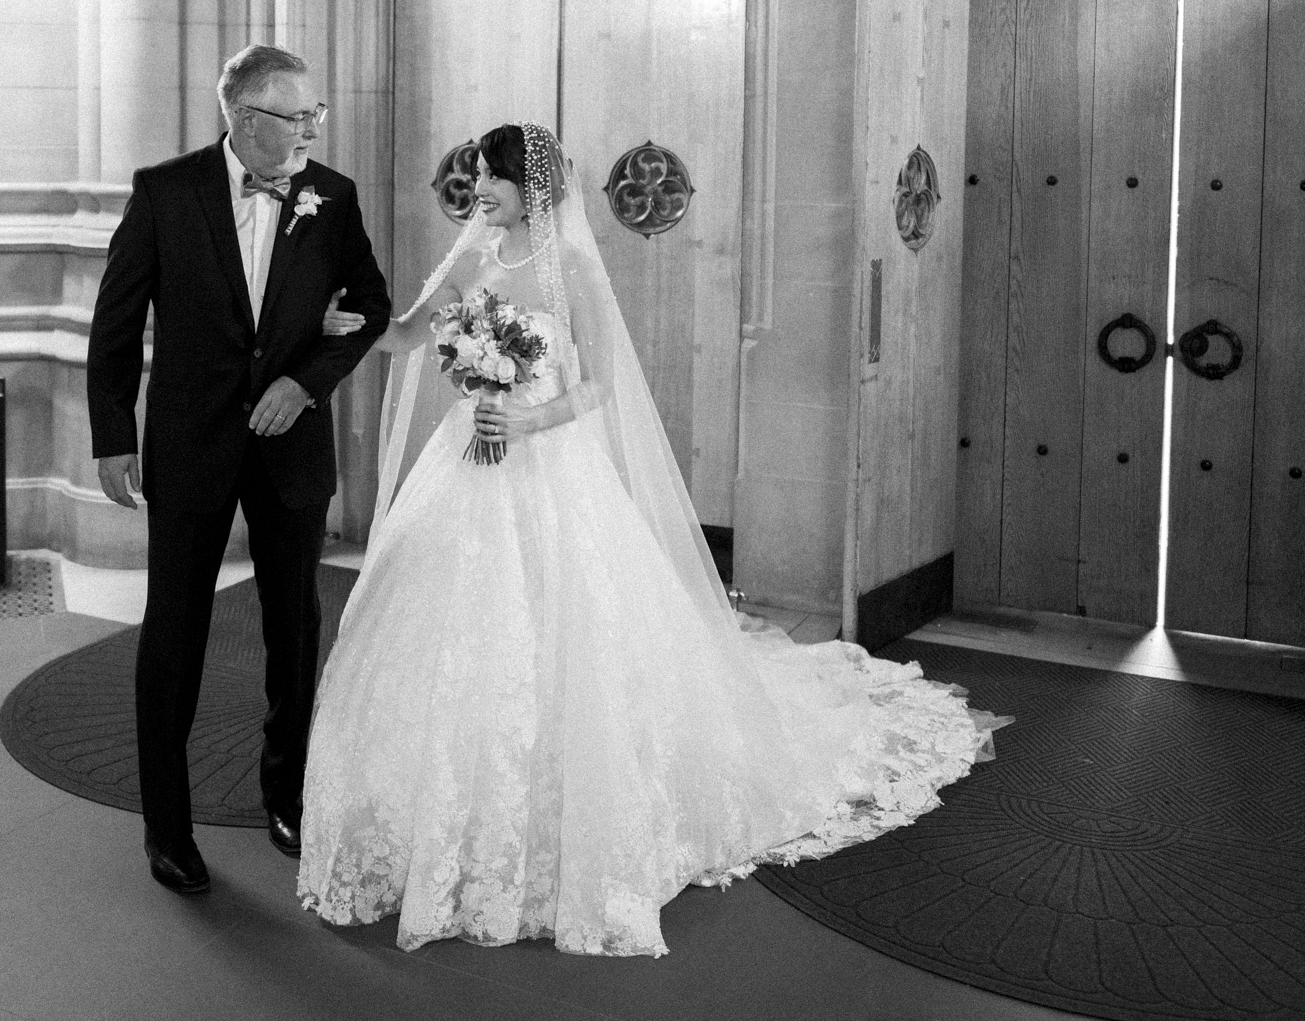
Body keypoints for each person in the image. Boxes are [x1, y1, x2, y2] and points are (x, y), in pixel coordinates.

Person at [296, 121, 1004, 957]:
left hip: (544, 461)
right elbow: (411, 332)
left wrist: (525, 415)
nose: (478, 190)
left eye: (490, 178)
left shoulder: (574, 274)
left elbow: (597, 384)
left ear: (533, 186)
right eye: (479, 178)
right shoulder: (474, 252)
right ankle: (449, 804)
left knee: (569, 629)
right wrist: (348, 327)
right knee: (450, 628)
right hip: (465, 462)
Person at [87, 44, 392, 896]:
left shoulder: (332, 196)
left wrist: (305, 383)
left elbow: (371, 305)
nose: (310, 129)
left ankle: (286, 793)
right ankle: (167, 826)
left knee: (294, 625)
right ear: (242, 117)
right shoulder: (164, 191)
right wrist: (113, 435)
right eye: (296, 116)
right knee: (174, 629)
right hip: (190, 441)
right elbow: (115, 323)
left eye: (313, 115)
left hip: (291, 439)